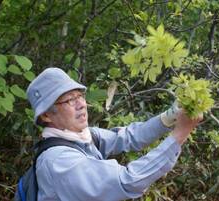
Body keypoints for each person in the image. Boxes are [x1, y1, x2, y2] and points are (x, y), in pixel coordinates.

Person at [26, 67, 202, 201]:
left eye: (80, 96)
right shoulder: (59, 161)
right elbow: (127, 181)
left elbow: (128, 138)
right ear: (46, 115)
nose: (81, 104)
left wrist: (169, 117)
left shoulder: (84, 137)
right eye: (70, 100)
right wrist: (179, 134)